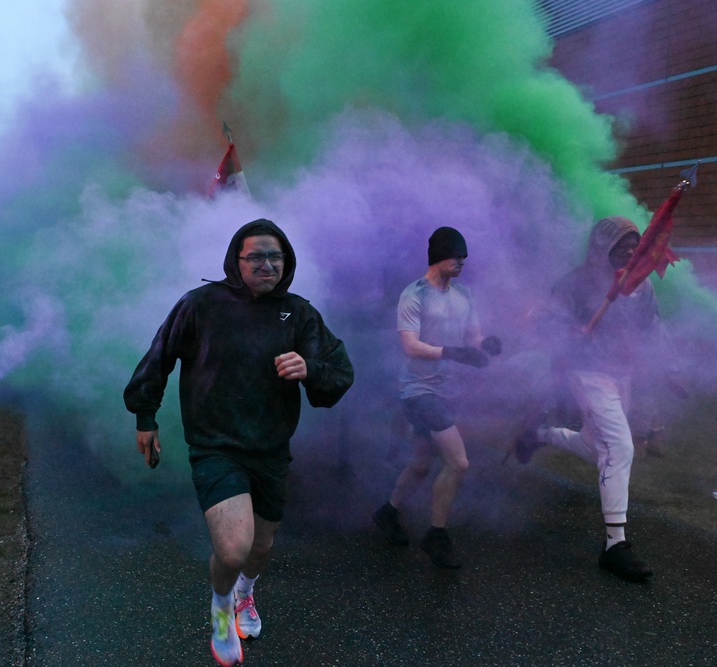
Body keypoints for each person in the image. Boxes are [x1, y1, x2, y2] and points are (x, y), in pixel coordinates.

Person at [124, 219, 354, 667]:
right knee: (233, 548)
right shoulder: (200, 305)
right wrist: (145, 415)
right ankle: (221, 607)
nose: (267, 264)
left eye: (276, 257)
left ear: (286, 262)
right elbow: (159, 356)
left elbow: (338, 372)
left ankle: (245, 593)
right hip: (216, 445)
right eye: (256, 256)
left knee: (261, 547)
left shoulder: (299, 313)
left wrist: (311, 368)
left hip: (270, 447)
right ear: (236, 260)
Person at [514, 216, 663, 583]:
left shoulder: (640, 287)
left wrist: (666, 368)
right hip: (587, 374)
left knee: (597, 445)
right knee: (619, 447)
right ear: (602, 246)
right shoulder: (575, 283)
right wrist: (572, 333)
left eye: (636, 242)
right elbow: (544, 326)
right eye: (624, 243)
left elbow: (652, 329)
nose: (632, 248)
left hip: (620, 375)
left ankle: (540, 434)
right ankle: (615, 545)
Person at [371, 226, 498, 570]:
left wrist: (485, 346)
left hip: (448, 391)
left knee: (423, 462)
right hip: (419, 392)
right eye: (456, 255)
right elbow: (410, 346)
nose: (462, 261)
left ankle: (388, 512)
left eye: (463, 257)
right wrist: (454, 353)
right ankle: (436, 536)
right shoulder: (414, 295)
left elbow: (473, 335)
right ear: (438, 255)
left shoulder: (464, 294)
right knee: (459, 462)